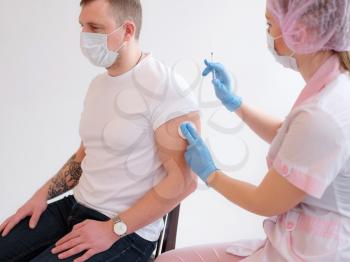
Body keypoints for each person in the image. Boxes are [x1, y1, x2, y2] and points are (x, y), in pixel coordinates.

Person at [0, 0, 200, 261]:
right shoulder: (98, 85)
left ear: (127, 30)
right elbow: (85, 155)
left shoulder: (165, 88)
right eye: (82, 26)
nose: (85, 36)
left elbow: (184, 182)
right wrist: (40, 196)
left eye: (95, 27)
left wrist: (113, 229)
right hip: (74, 207)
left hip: (126, 232)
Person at [156, 0, 350, 261]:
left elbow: (265, 201)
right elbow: (291, 137)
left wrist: (211, 173)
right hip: (293, 239)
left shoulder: (323, 115)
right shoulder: (335, 85)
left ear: (299, 32)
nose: (268, 34)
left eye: (270, 25)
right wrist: (236, 104)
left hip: (311, 253)